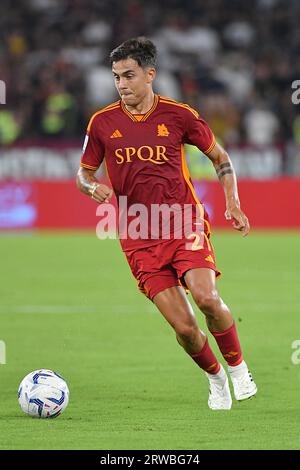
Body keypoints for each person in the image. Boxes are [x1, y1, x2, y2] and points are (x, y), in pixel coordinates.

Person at [77, 37, 257, 410]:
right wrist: (91, 187)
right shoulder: (102, 123)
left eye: (129, 75)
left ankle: (238, 368)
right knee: (186, 329)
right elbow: (83, 173)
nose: (122, 84)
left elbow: (220, 156)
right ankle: (215, 378)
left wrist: (233, 203)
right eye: (116, 77)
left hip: (183, 222)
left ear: (150, 75)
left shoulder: (179, 115)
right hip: (138, 234)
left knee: (207, 297)